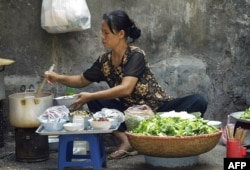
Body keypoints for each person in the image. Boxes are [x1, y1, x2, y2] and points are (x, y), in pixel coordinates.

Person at [44, 10, 208, 160]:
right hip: (129, 115)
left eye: (106, 32)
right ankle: (127, 141)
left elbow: (126, 88)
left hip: (156, 110)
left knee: (198, 101)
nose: (102, 37)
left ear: (121, 34)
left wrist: (91, 95)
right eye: (102, 32)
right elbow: (81, 80)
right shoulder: (104, 61)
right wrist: (57, 77)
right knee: (93, 101)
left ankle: (156, 135)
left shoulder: (136, 55)